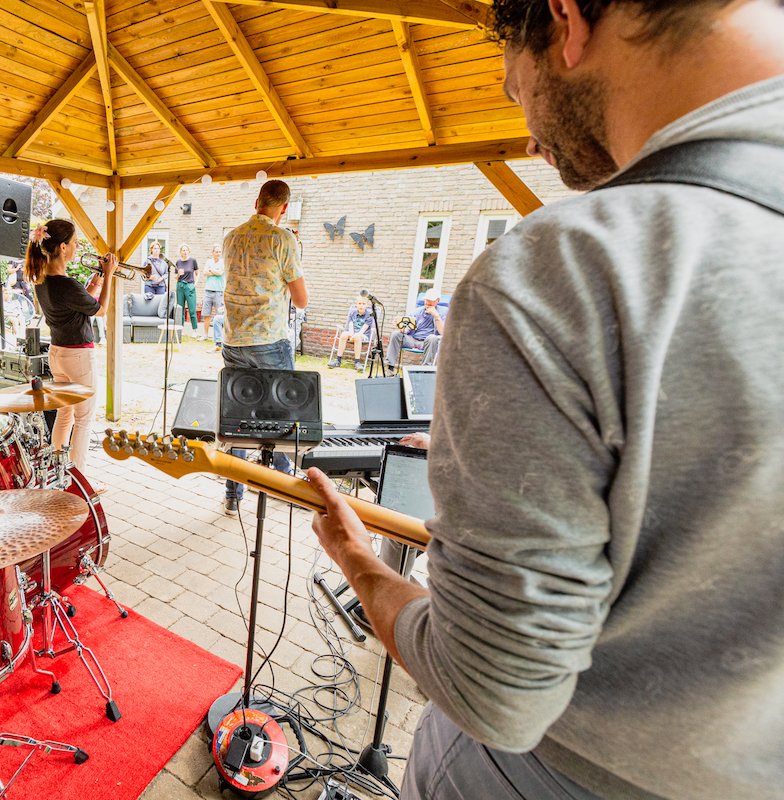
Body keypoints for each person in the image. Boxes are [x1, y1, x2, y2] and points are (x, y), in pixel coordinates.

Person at [310, 2, 784, 799]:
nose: (530, 135)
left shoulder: (568, 267)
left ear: (567, 20)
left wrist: (358, 562)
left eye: (513, 91)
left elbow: (491, 692)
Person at [220, 179, 308, 515]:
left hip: (233, 339)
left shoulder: (231, 237)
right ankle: (285, 482)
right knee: (282, 412)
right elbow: (301, 301)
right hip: (268, 339)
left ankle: (233, 494)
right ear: (284, 207)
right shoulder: (283, 239)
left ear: (257, 201)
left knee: (238, 417)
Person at [28, 219, 117, 475]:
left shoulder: (42, 280)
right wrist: (109, 274)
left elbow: (79, 301)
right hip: (78, 355)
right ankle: (79, 480)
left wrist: (97, 279)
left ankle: (57, 472)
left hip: (58, 354)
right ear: (63, 247)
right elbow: (101, 309)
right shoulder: (66, 285)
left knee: (64, 414)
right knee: (84, 419)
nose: (78, 248)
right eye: (76, 243)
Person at [384, 289, 445, 373]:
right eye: (426, 300)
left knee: (432, 338)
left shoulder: (443, 312)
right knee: (396, 334)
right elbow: (407, 329)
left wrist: (436, 316)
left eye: (431, 300)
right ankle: (390, 367)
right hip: (413, 340)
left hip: (428, 343)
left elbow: (443, 332)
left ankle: (425, 370)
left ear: (438, 301)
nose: (428, 302)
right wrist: (401, 327)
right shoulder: (417, 311)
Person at [328, 296, 375, 370]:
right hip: (353, 333)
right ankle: (338, 360)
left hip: (363, 335)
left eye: (363, 304)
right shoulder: (352, 312)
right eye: (359, 303)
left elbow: (363, 329)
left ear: (366, 305)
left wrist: (355, 335)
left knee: (357, 336)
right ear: (356, 304)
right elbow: (350, 325)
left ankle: (357, 362)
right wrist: (351, 334)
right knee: (343, 335)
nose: (361, 305)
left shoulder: (370, 315)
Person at [200, 244, 225, 344]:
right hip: (208, 291)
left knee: (219, 315)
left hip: (219, 291)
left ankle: (219, 338)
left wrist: (211, 270)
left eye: (220, 252)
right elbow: (205, 272)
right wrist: (215, 271)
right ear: (212, 253)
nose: (218, 253)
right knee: (206, 314)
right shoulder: (209, 261)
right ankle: (205, 335)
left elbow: (220, 273)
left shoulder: (223, 262)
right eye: (216, 252)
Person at [174, 244, 199, 339]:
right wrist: (178, 275)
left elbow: (198, 273)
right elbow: (176, 277)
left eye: (186, 250)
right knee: (180, 308)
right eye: (183, 250)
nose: (185, 252)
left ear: (189, 251)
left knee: (192, 309)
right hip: (180, 286)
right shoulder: (178, 262)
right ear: (180, 252)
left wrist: (195, 284)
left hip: (190, 286)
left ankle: (195, 330)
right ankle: (181, 329)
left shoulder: (193, 261)